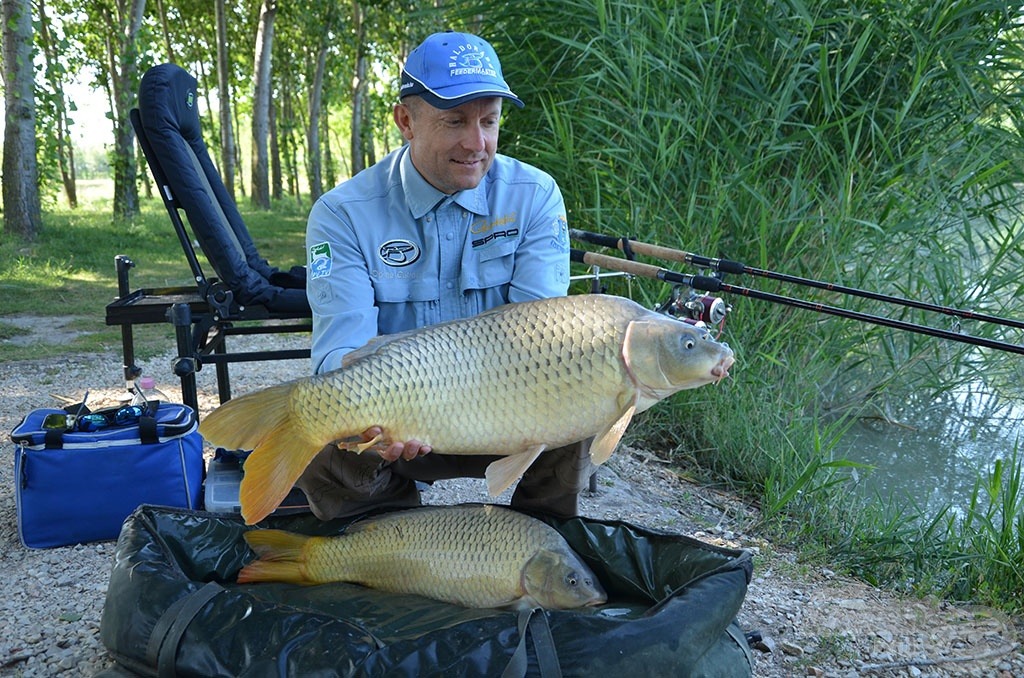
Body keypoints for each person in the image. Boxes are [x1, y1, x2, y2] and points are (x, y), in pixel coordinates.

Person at [299, 30, 593, 520]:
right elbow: (338, 354)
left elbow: (544, 343)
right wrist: (378, 423)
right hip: (398, 420)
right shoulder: (342, 213)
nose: (476, 143)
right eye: (455, 121)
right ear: (405, 121)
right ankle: (377, 550)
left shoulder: (535, 196)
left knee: (579, 401)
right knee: (320, 427)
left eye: (489, 121)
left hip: (507, 415)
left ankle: (543, 554)